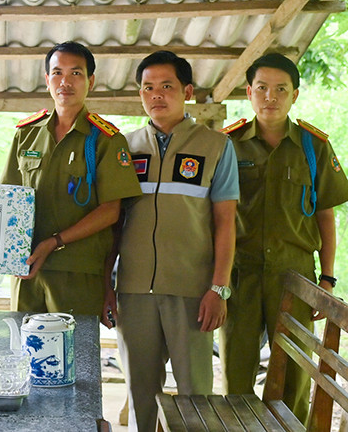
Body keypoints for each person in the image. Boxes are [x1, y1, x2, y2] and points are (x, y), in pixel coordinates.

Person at [106, 50, 239, 431]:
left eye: (167, 86)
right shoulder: (125, 148)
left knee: (196, 399)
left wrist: (219, 288)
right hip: (133, 292)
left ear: (187, 91)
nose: (156, 95)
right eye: (148, 88)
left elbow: (226, 223)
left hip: (193, 293)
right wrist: (108, 285)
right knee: (141, 396)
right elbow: (115, 225)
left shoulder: (216, 147)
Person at [220, 53, 348, 422]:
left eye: (281, 89)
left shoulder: (314, 147)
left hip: (294, 276)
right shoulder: (228, 145)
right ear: (248, 92)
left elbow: (326, 216)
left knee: (294, 375)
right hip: (239, 274)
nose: (270, 97)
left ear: (295, 95)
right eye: (261, 88)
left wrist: (326, 280)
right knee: (236, 371)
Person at [0, 41, 142, 315]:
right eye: (57, 73)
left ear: (90, 80)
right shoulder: (25, 134)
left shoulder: (106, 140)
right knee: (22, 352)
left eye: (75, 73)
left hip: (77, 272)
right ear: (47, 79)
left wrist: (54, 242)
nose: (65, 81)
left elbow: (111, 212)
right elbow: (6, 199)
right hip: (25, 268)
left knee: (74, 355)